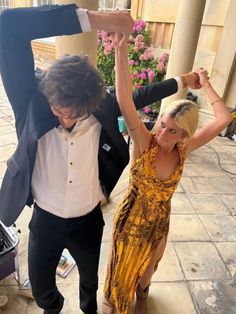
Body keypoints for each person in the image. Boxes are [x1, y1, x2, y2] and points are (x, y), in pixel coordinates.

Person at [0, 4, 200, 314]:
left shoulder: (100, 106)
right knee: (42, 292)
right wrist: (100, 19)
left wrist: (184, 79)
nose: (66, 120)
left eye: (75, 115)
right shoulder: (29, 101)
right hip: (45, 219)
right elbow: (8, 25)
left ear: (90, 104)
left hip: (88, 219)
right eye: (59, 112)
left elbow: (143, 94)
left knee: (90, 284)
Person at [102, 33, 232, 314]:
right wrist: (121, 51)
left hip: (160, 222)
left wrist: (206, 83)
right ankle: (113, 299)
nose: (161, 132)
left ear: (184, 134)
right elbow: (125, 99)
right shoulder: (144, 141)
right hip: (131, 221)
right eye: (162, 124)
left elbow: (223, 119)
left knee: (149, 267)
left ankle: (144, 293)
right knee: (121, 269)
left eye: (171, 130)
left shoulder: (185, 148)